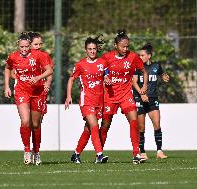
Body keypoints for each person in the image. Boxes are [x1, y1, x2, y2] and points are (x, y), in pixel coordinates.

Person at [99, 30, 149, 164]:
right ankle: (99, 153)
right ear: (116, 45)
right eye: (123, 46)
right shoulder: (106, 57)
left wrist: (144, 85)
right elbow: (101, 69)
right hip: (109, 96)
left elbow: (144, 71)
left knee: (134, 121)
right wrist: (105, 76)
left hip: (126, 94)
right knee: (105, 125)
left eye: (128, 46)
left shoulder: (133, 57)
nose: (126, 49)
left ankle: (136, 154)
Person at [4, 32, 53, 165]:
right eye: (22, 47)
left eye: (27, 47)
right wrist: (7, 86)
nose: (25, 49)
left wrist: (38, 78)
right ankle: (27, 150)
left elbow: (49, 71)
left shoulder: (39, 55)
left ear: (29, 46)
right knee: (25, 121)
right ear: (18, 46)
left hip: (37, 92)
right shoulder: (13, 56)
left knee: (36, 124)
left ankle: (36, 152)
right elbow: (8, 68)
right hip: (21, 91)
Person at [65, 36, 108, 164]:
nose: (92, 51)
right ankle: (99, 155)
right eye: (90, 49)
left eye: (94, 49)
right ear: (85, 50)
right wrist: (68, 96)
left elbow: (107, 75)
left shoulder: (102, 62)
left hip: (99, 100)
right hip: (86, 100)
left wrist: (107, 78)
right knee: (95, 126)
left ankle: (76, 154)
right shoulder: (80, 65)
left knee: (88, 130)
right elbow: (71, 79)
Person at [132, 43, 169, 160]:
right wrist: (142, 95)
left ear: (149, 56)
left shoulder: (156, 66)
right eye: (139, 55)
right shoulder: (138, 68)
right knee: (141, 127)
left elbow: (161, 73)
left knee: (157, 124)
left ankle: (159, 151)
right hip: (140, 99)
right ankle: (142, 152)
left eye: (142, 55)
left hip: (153, 100)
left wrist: (164, 76)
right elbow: (134, 82)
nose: (140, 57)